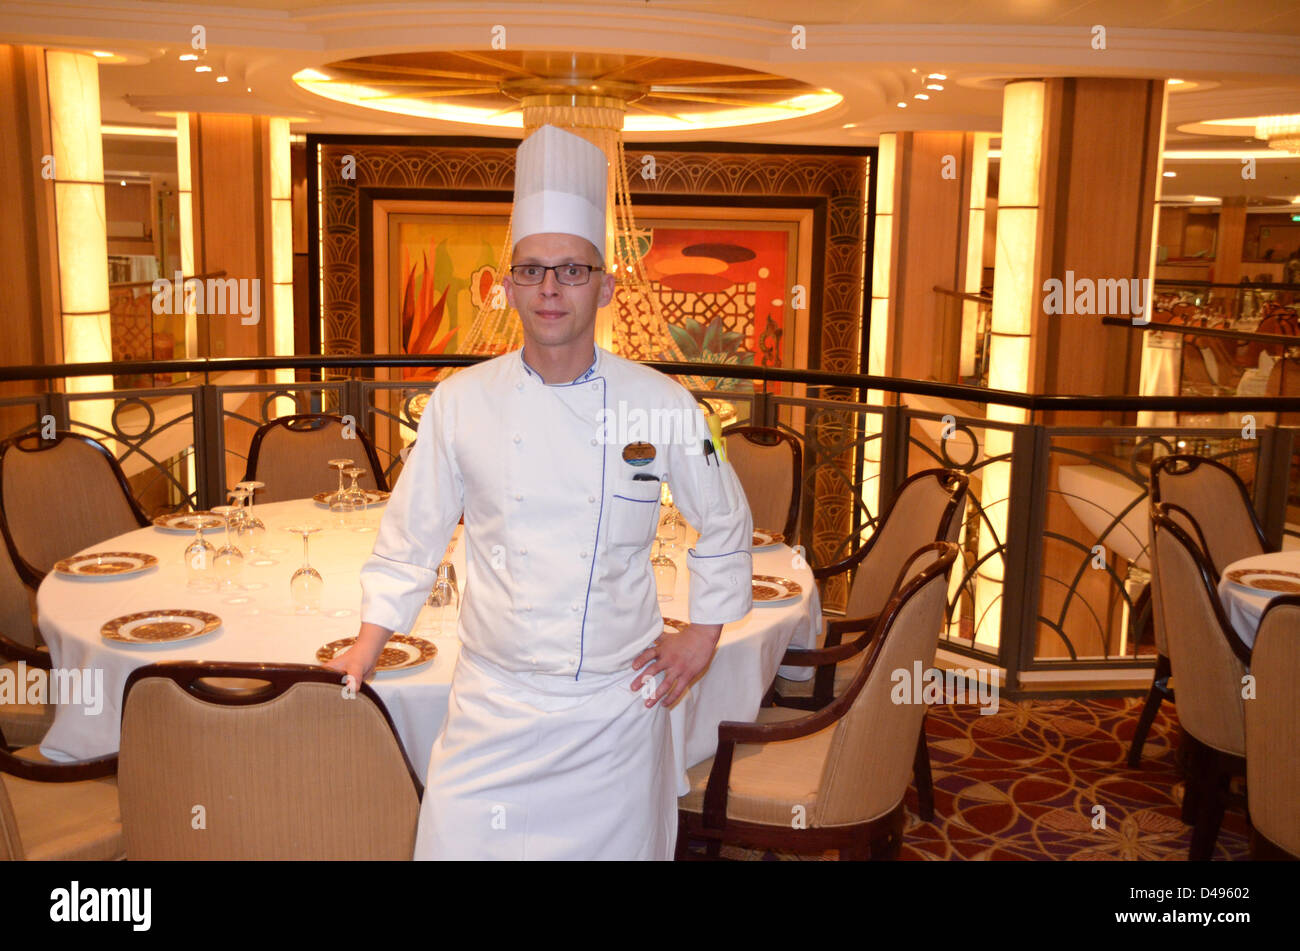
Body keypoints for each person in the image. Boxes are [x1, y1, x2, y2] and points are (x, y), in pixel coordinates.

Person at [327, 125, 753, 860]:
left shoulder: (662, 402)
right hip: (492, 709)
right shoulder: (460, 401)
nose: (550, 289)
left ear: (606, 284)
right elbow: (413, 532)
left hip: (613, 716)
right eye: (532, 270)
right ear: (508, 284)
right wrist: (367, 644)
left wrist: (703, 637)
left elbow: (725, 518)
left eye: (571, 270)